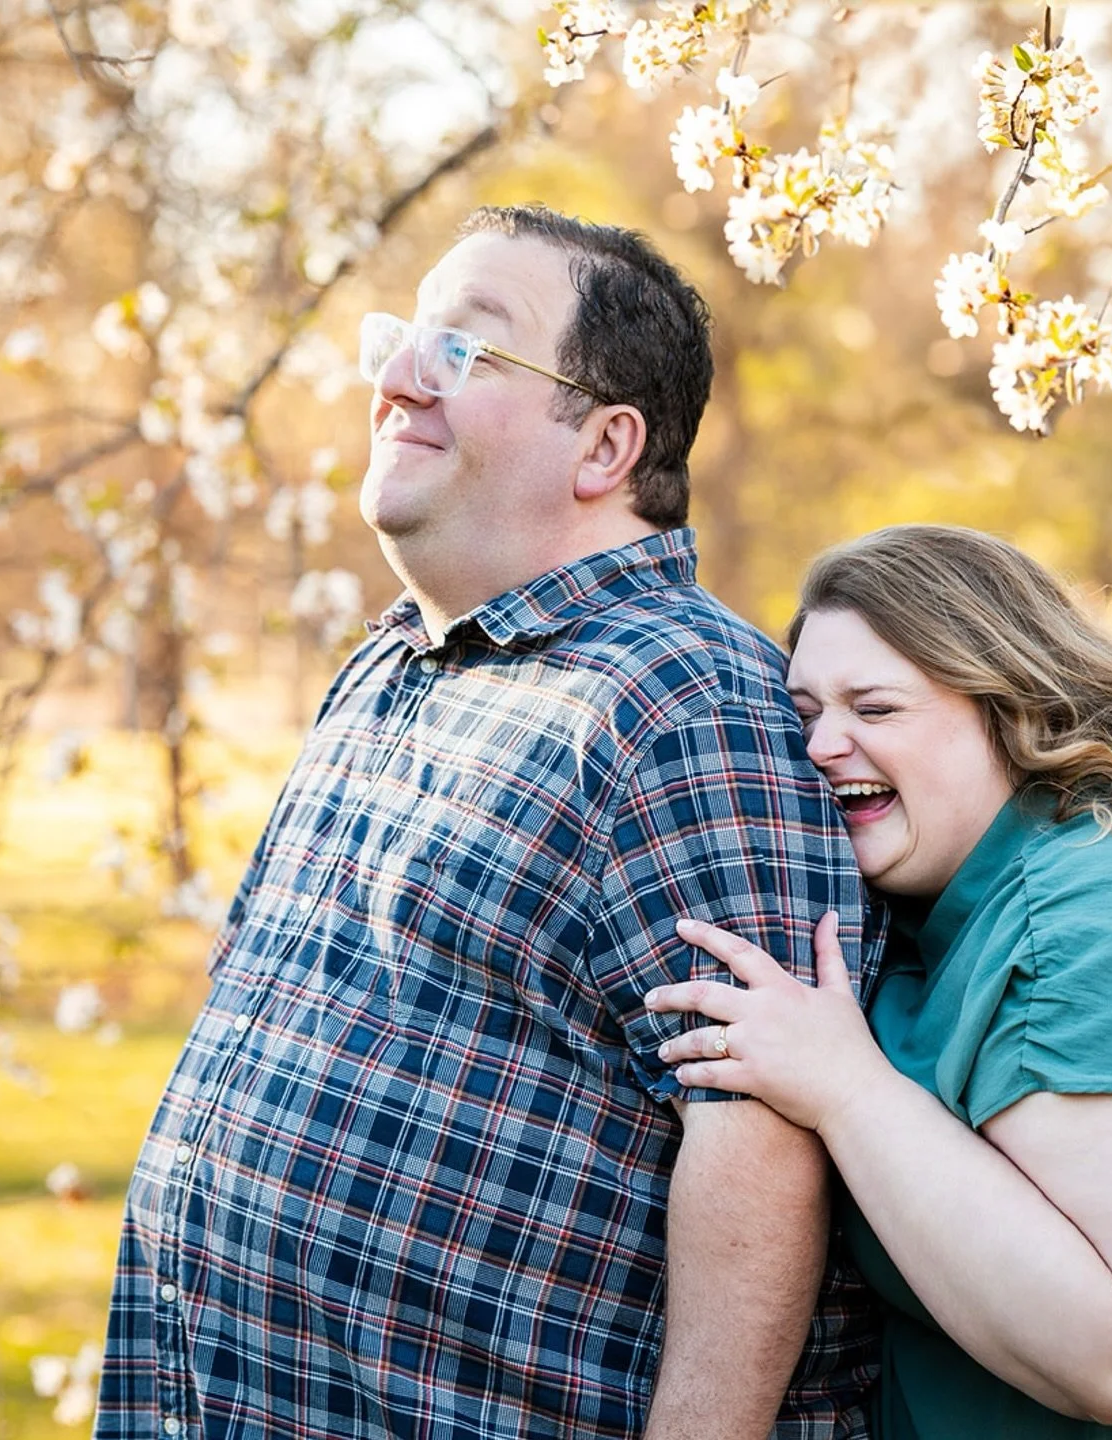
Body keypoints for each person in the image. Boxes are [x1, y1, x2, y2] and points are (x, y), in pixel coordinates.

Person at [93, 204, 886, 1440]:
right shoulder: (391, 665)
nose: (399, 377)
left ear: (605, 445)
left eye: (465, 349)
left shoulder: (680, 700)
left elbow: (763, 1138)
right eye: (402, 338)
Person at [644, 523, 1112, 1439]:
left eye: (873, 710)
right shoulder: (959, 897)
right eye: (802, 715)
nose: (819, 746)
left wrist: (848, 1090)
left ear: (1016, 706)